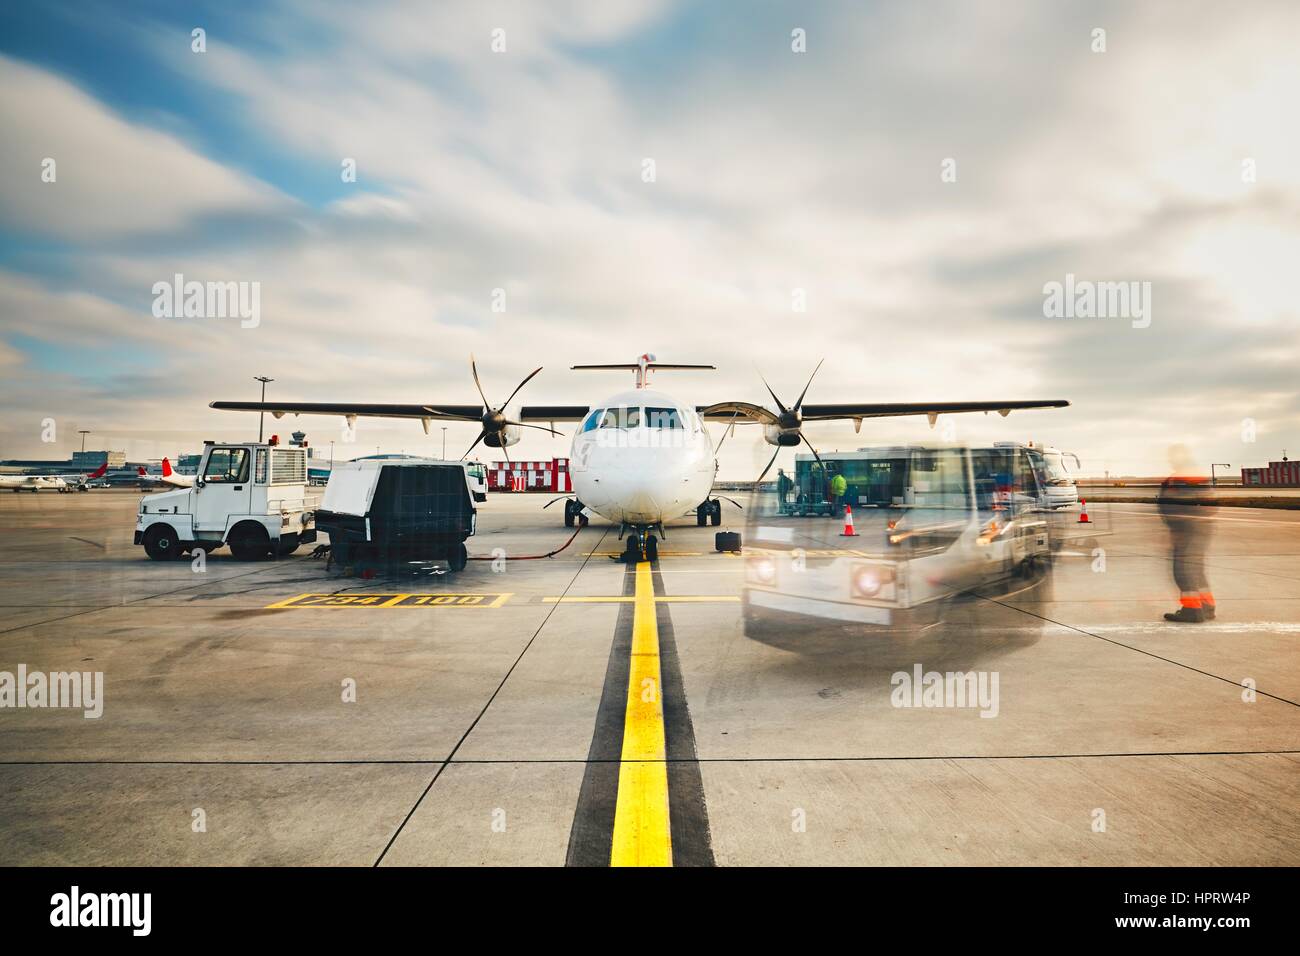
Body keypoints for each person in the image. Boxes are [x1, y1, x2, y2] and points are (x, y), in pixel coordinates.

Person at [1158, 444, 1216, 623]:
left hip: (1186, 530)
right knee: (1196, 567)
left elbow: (1175, 506)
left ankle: (1192, 609)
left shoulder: (1179, 479)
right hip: (1202, 528)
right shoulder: (1198, 476)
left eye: (1172, 456)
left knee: (1182, 570)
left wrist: (1179, 528)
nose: (1169, 460)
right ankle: (1207, 605)